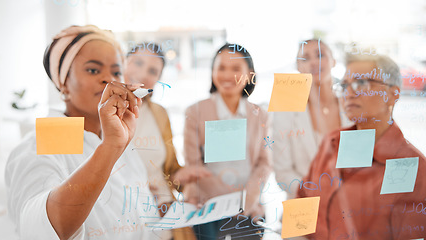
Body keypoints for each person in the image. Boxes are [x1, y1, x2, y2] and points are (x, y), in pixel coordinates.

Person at [5, 25, 159, 239]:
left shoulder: (117, 137)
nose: (109, 79)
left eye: (116, 72)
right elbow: (41, 228)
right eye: (93, 70)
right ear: (64, 84)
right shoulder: (43, 143)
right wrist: (111, 148)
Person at [297, 54, 426, 239]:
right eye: (344, 86)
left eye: (361, 83)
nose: (349, 93)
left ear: (392, 94)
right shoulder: (332, 142)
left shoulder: (413, 167)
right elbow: (303, 198)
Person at [182, 43, 272, 240]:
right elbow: (193, 164)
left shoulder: (260, 115)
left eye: (236, 69)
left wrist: (247, 199)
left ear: (249, 74)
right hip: (207, 204)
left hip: (249, 205)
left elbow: (264, 163)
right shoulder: (195, 113)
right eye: (221, 68)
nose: (227, 75)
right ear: (212, 71)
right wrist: (228, 201)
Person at [124, 42, 206, 240]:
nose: (143, 74)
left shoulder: (159, 114)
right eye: (138, 63)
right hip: (125, 221)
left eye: (152, 71)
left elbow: (170, 171)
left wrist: (187, 178)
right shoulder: (101, 113)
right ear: (123, 63)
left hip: (165, 216)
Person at [273, 39, 353, 198]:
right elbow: (282, 173)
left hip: (349, 203)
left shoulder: (351, 106)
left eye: (320, 55)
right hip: (304, 206)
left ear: (333, 61)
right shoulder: (285, 109)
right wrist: (314, 192)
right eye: (305, 58)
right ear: (298, 67)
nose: (314, 62)